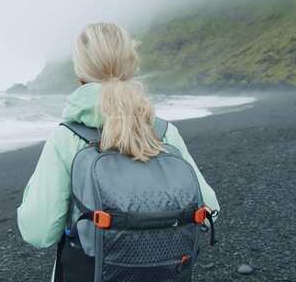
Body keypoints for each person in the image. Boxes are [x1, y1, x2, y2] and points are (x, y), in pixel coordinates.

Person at [17, 22, 220, 282]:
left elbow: (38, 232)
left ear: (80, 74)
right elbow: (210, 210)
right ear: (131, 65)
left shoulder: (67, 139)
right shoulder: (164, 132)